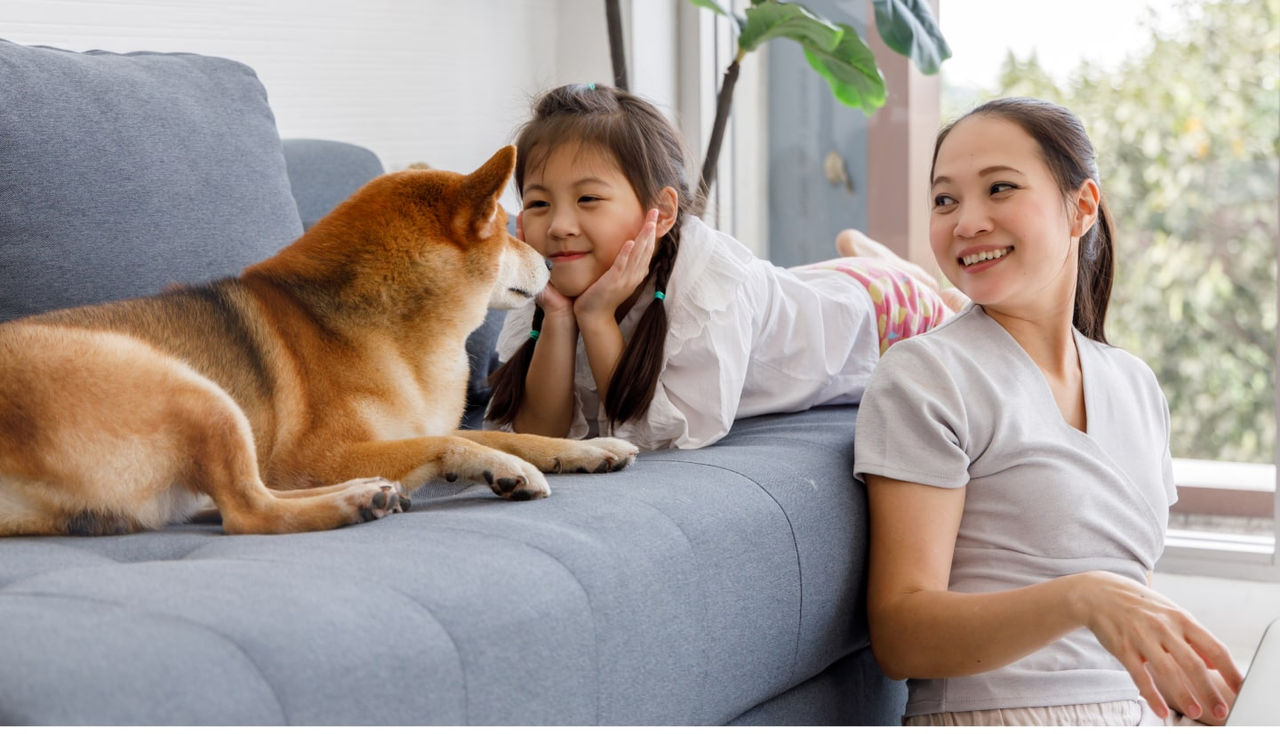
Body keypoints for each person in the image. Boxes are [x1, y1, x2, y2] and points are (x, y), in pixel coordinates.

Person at [853, 97, 1243, 726]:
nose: (966, 222)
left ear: (1081, 207)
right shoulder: (927, 375)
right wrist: (1083, 598)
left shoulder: (1136, 386)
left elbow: (1122, 617)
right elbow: (901, 636)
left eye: (999, 188)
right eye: (945, 200)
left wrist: (1193, 689)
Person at [485, 83, 953, 451]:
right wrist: (560, 316)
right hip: (805, 290)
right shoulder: (547, 281)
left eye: (588, 198)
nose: (559, 226)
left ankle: (902, 275)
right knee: (809, 284)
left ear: (661, 213)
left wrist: (596, 316)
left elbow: (657, 436)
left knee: (945, 309)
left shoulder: (706, 283)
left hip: (883, 313)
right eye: (539, 203)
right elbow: (538, 438)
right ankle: (862, 255)